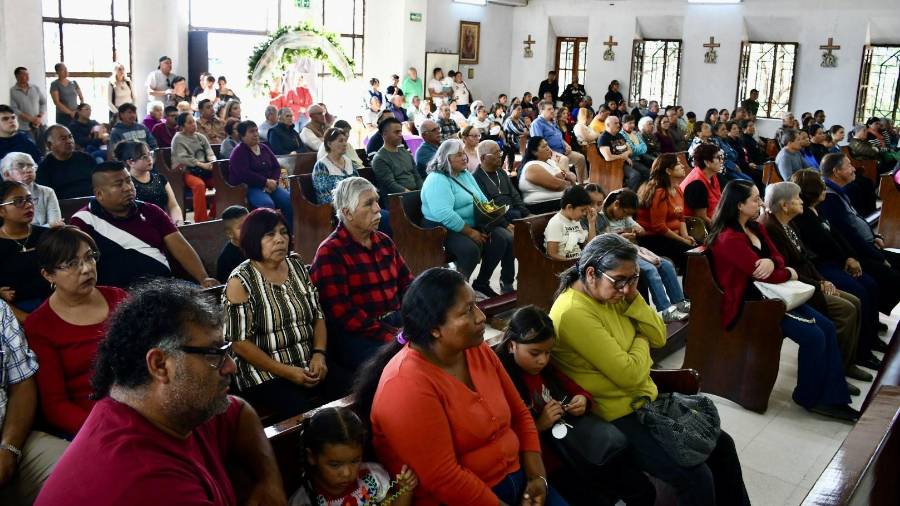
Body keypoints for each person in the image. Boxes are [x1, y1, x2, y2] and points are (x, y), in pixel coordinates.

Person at [35, 279, 288, 506]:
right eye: (214, 353)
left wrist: (270, 482)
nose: (230, 365)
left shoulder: (171, 404)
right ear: (160, 365)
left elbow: (240, 411)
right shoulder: (142, 482)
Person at [550, 233, 749, 504]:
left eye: (633, 279)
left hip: (645, 401)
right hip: (615, 413)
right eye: (620, 281)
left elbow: (658, 335)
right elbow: (630, 373)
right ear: (591, 273)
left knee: (721, 445)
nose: (626, 289)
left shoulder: (617, 293)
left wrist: (634, 301)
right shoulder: (573, 312)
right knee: (694, 477)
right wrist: (640, 339)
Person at [353, 267, 566, 505]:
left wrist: (537, 478)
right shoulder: (406, 385)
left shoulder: (477, 349)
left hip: (518, 479)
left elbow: (520, 414)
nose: (481, 316)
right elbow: (444, 478)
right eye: (467, 311)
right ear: (435, 329)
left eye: (475, 304)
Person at [706, 179, 858, 420]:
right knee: (814, 335)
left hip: (773, 296)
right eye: (755, 199)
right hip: (752, 304)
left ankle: (831, 395)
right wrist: (788, 272)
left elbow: (777, 256)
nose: (760, 203)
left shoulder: (756, 228)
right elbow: (765, 274)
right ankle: (810, 396)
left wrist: (773, 262)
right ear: (738, 205)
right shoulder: (728, 238)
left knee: (827, 327)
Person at [493, 306, 657, 506]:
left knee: (641, 488)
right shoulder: (502, 380)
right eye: (535, 353)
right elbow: (506, 441)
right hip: (548, 462)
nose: (542, 360)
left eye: (547, 352)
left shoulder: (547, 369)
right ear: (512, 346)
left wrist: (582, 400)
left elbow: (574, 388)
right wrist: (539, 425)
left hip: (578, 443)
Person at [223, 208, 349, 421]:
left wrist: (319, 354)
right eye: (270, 235)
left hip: (307, 361)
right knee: (301, 413)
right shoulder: (240, 281)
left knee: (348, 390)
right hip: (264, 373)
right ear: (253, 239)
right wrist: (288, 372)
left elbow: (317, 314)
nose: (280, 240)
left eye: (283, 232)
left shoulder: (296, 264)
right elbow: (239, 343)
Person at [761, 182, 874, 386]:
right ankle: (836, 366)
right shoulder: (771, 227)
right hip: (794, 289)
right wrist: (818, 284)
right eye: (797, 198)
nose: (802, 200)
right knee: (846, 310)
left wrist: (822, 280)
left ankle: (846, 363)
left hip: (808, 281)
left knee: (855, 301)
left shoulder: (789, 222)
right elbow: (788, 270)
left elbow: (805, 259)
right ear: (784, 205)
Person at [20, 226, 127, 439]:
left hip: (141, 405)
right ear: (48, 274)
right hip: (92, 423)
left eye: (90, 257)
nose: (87, 269)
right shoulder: (40, 326)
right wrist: (106, 430)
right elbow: (56, 406)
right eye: (72, 264)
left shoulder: (118, 298)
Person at [790, 169, 888, 371]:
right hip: (821, 266)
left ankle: (870, 337)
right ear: (813, 191)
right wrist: (845, 259)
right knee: (860, 292)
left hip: (836, 260)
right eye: (822, 186)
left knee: (870, 284)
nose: (825, 189)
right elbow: (823, 244)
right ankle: (861, 351)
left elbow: (836, 235)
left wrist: (850, 257)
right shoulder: (804, 216)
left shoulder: (819, 208)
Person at [310, 177, 410, 370]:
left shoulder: (383, 241)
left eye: (376, 201)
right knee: (403, 363)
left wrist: (416, 317)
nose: (377, 209)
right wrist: (394, 335)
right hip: (359, 334)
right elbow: (343, 314)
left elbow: (407, 283)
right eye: (368, 204)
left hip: (396, 321)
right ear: (347, 213)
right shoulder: (331, 252)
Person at [71, 161, 217, 288]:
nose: (128, 188)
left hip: (164, 287)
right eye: (119, 184)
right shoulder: (83, 221)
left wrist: (203, 278)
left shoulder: (151, 211)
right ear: (99, 194)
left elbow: (180, 246)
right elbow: (79, 267)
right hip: (118, 297)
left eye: (129, 181)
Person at [422, 140, 516, 297]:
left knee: (501, 237)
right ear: (447, 158)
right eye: (459, 154)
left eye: (464, 153)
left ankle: (481, 284)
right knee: (471, 249)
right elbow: (444, 213)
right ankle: (456, 292)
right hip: (442, 229)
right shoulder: (437, 179)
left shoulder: (465, 174)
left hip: (470, 224)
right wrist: (470, 232)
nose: (464, 157)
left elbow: (482, 200)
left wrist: (495, 218)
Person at [819, 153, 900, 314]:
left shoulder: (838, 192)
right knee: (890, 275)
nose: (853, 169)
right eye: (849, 165)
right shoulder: (830, 198)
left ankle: (878, 312)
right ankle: (878, 313)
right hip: (855, 252)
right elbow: (848, 234)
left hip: (866, 246)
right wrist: (879, 257)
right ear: (836, 172)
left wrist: (874, 236)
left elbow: (855, 219)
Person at [289, 407, 417, 506]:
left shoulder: (371, 478)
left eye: (355, 461)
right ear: (312, 457)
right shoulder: (304, 501)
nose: (347, 473)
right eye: (334, 465)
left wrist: (405, 490)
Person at [594, 189, 689, 321]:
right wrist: (621, 237)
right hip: (617, 253)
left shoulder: (625, 217)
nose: (624, 216)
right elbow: (602, 240)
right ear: (616, 204)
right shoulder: (601, 217)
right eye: (625, 213)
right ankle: (665, 310)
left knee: (666, 265)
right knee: (650, 270)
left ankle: (680, 302)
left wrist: (636, 231)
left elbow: (642, 231)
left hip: (632, 249)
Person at [0, 181, 52, 321]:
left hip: (54, 303)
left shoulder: (47, 235)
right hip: (14, 313)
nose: (28, 205)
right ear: (1, 210)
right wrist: (28, 320)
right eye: (18, 201)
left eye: (29, 199)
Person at [636, 154, 695, 269]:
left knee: (702, 249)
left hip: (672, 236)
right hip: (653, 239)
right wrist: (683, 240)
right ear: (668, 170)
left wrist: (686, 237)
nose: (683, 166)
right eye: (678, 164)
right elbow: (659, 227)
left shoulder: (677, 189)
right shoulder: (659, 192)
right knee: (692, 256)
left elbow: (681, 217)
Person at [229, 121, 293, 227]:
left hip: (270, 185)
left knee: (289, 200)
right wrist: (265, 182)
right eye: (251, 132)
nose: (256, 134)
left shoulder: (264, 148)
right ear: (242, 136)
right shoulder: (239, 152)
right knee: (267, 205)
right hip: (250, 187)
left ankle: (289, 232)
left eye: (256, 130)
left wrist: (273, 181)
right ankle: (267, 234)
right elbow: (244, 174)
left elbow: (276, 167)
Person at [116, 141, 182, 224]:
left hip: (164, 225)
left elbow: (173, 206)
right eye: (144, 157)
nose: (149, 159)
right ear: (130, 162)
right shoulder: (126, 185)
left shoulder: (160, 178)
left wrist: (178, 222)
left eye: (150, 154)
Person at [172, 112, 216, 222]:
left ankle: (213, 214)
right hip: (187, 171)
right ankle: (201, 221)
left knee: (221, 183)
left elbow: (209, 151)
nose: (194, 124)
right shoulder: (178, 138)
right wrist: (202, 164)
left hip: (204, 170)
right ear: (182, 126)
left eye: (194, 122)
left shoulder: (200, 137)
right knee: (199, 185)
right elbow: (184, 158)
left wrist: (212, 161)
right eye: (190, 122)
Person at [473, 140, 530, 224]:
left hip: (515, 214)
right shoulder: (476, 177)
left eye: (500, 152)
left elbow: (515, 195)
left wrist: (526, 214)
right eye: (496, 153)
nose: (500, 155)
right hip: (497, 220)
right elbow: (487, 207)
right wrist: (506, 224)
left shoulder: (501, 172)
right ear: (483, 158)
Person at [530, 101, 587, 184]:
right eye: (549, 109)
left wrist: (567, 145)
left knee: (580, 158)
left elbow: (559, 137)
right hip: (550, 153)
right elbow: (540, 143)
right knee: (564, 160)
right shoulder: (537, 123)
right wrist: (552, 153)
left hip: (562, 151)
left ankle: (581, 184)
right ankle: (568, 187)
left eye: (552, 108)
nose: (552, 111)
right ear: (542, 111)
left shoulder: (552, 122)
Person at [0, 153, 60, 227]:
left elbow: (56, 225)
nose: (29, 170)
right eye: (21, 166)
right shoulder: (2, 196)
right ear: (7, 174)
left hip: (47, 238)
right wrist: (48, 226)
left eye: (31, 165)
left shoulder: (47, 192)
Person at [371, 118, 422, 204]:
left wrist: (422, 191)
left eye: (400, 131)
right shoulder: (379, 159)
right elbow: (391, 185)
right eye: (396, 132)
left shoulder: (404, 151)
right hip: (398, 200)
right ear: (384, 134)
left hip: (414, 195)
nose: (400, 135)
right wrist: (414, 195)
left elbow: (416, 175)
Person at [36, 125, 96, 199]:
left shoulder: (86, 159)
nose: (69, 141)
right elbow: (46, 198)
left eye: (70, 137)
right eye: (63, 139)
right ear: (49, 145)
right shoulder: (44, 169)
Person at [544, 185, 597, 261]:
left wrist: (591, 223)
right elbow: (552, 254)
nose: (585, 213)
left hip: (578, 261)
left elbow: (590, 246)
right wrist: (574, 262)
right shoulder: (556, 223)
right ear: (569, 207)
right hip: (564, 265)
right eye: (582, 210)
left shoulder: (575, 221)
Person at [519, 136, 572, 208]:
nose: (548, 148)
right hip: (541, 205)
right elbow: (557, 185)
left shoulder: (550, 162)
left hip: (560, 200)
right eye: (544, 147)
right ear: (534, 152)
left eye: (547, 145)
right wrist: (567, 180)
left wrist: (563, 176)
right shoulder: (532, 166)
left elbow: (568, 176)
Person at [312, 127, 361, 204]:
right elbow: (324, 197)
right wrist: (349, 205)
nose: (345, 144)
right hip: (336, 210)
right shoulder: (322, 166)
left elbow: (359, 185)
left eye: (345, 141)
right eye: (341, 141)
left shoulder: (348, 161)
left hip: (356, 205)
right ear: (329, 144)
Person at [598, 116, 647, 191]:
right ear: (608, 125)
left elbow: (630, 150)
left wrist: (626, 156)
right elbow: (608, 157)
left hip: (625, 161)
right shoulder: (603, 137)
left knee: (646, 171)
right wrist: (624, 157)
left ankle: (641, 193)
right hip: (614, 164)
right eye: (615, 123)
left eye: (618, 123)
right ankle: (627, 195)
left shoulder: (619, 135)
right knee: (635, 175)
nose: (618, 125)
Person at [680, 143, 723, 226]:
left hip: (716, 218)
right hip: (697, 227)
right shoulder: (696, 184)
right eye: (718, 158)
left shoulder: (712, 175)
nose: (721, 161)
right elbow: (702, 218)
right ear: (707, 162)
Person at [9, 68, 46, 142]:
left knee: (42, 148)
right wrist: (32, 119)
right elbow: (14, 109)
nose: (27, 76)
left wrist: (40, 117)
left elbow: (43, 102)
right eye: (24, 74)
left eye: (27, 74)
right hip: (24, 128)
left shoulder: (35, 88)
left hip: (40, 125)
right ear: (17, 76)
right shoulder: (12, 91)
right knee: (29, 149)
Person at [216, 205, 249, 282]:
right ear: (230, 233)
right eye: (241, 227)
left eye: (249, 223)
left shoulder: (259, 245)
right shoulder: (226, 258)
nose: (247, 229)